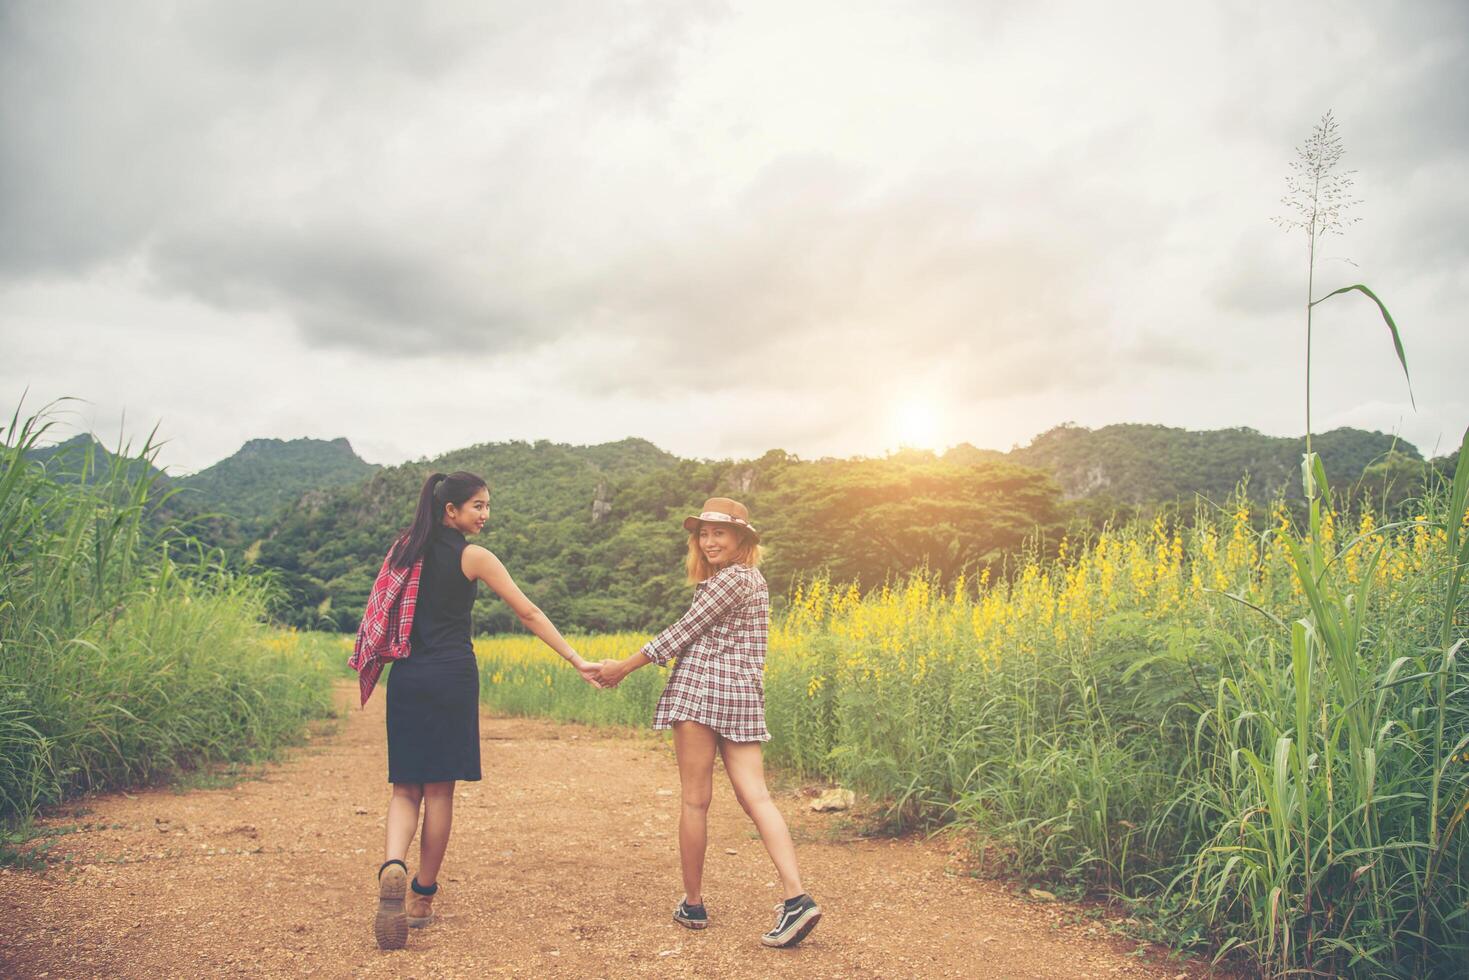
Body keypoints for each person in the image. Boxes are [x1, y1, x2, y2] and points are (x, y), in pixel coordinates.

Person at [370, 471, 600, 950]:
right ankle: (421, 897)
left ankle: (393, 863)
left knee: (405, 787)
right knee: (440, 792)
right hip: (452, 676)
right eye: (477, 505)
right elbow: (528, 613)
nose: (485, 515)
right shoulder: (474, 556)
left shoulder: (403, 550)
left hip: (407, 678)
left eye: (487, 505)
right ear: (450, 510)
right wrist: (577, 659)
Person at [594, 497, 821, 948]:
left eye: (720, 532)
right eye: (704, 533)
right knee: (757, 796)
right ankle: (795, 897)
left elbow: (681, 632)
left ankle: (694, 904)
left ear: (741, 539)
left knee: (696, 801)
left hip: (701, 693)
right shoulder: (751, 581)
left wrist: (622, 666)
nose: (710, 540)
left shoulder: (730, 580)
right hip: (741, 697)